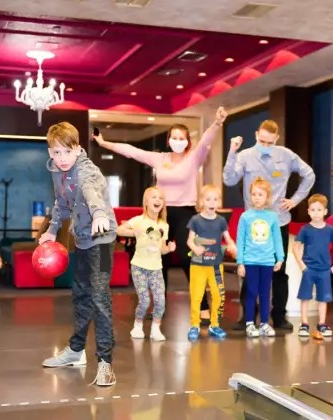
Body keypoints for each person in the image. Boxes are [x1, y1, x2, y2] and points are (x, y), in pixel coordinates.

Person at [93, 107, 228, 323]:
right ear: (168, 140)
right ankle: (159, 306)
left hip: (185, 212)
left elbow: (205, 140)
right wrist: (103, 143)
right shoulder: (160, 158)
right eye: (174, 137)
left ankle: (203, 305)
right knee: (158, 258)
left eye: (181, 138)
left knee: (187, 257)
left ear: (187, 141)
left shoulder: (194, 158)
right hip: (161, 213)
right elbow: (132, 151)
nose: (177, 141)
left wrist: (217, 122)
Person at [39, 121, 118, 387]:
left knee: (100, 297)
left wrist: (99, 214)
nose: (62, 158)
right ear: (50, 152)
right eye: (56, 152)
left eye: (67, 151)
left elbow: (91, 192)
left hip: (103, 239)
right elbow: (61, 203)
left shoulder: (86, 170)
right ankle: (76, 351)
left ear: (78, 149)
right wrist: (52, 230)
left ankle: (105, 362)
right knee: (81, 294)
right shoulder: (56, 171)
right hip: (83, 240)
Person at [222, 119, 315, 331]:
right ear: (256, 135)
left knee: (279, 271)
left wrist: (295, 200)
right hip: (252, 223)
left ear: (277, 139)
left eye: (269, 142)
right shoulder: (245, 156)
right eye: (262, 141)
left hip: (278, 221)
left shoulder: (286, 155)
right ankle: (247, 316)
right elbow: (229, 180)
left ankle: (279, 316)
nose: (265, 145)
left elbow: (309, 174)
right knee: (250, 269)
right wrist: (232, 152)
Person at [117, 187, 175, 342]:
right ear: (146, 202)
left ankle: (156, 328)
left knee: (160, 301)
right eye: (154, 197)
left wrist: (169, 249)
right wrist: (133, 232)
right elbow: (119, 230)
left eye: (160, 198)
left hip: (156, 269)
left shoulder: (164, 225)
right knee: (145, 301)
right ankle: (137, 325)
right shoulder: (138, 220)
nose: (157, 200)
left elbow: (162, 249)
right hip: (139, 268)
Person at [186, 184, 237, 340]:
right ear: (202, 201)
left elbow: (228, 239)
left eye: (215, 199)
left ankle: (214, 324)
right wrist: (195, 248)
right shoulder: (195, 220)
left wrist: (232, 245)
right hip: (198, 266)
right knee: (196, 296)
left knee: (218, 295)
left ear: (219, 202)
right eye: (208, 199)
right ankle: (194, 325)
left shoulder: (221, 221)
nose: (212, 203)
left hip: (215, 266)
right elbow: (189, 241)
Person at [235, 177, 284, 338]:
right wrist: (240, 262)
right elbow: (240, 240)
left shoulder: (272, 217)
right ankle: (250, 323)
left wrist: (280, 258)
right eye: (254, 194)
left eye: (260, 194)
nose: (256, 197)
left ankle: (264, 323)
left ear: (267, 197)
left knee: (265, 293)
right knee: (251, 291)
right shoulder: (245, 217)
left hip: (267, 262)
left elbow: (277, 239)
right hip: (250, 261)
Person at [293, 194, 333, 338]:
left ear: (325, 211)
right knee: (305, 297)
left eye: (319, 210)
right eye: (313, 210)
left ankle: (322, 323)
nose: (316, 213)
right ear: (308, 211)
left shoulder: (329, 229)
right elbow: (296, 247)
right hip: (309, 269)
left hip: (324, 270)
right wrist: (302, 265)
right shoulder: (305, 229)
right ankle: (304, 323)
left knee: (323, 298)